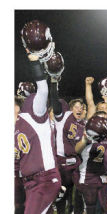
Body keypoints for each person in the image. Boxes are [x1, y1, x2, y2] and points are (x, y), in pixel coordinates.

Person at [14, 51, 61, 214]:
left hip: (44, 180)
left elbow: (42, 90)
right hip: (27, 182)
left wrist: (35, 63)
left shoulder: (31, 113)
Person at [50, 76, 86, 213]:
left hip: (76, 162)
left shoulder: (83, 123)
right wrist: (54, 83)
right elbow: (54, 99)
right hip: (62, 162)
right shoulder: (63, 116)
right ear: (70, 108)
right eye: (76, 107)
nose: (79, 109)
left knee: (78, 192)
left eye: (81, 107)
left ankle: (75, 211)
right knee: (62, 194)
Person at [73, 113, 107, 214]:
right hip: (88, 177)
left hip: (104, 177)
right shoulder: (87, 133)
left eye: (105, 120)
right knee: (89, 208)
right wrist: (85, 139)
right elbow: (76, 150)